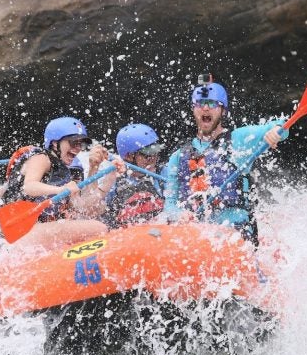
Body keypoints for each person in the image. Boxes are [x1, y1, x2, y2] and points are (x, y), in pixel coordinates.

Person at [163, 75, 286, 246]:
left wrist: (276, 130)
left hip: (236, 233)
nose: (205, 108)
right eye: (200, 104)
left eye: (212, 104)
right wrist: (178, 215)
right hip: (196, 236)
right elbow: (169, 204)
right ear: (193, 109)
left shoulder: (239, 140)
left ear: (223, 111)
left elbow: (282, 126)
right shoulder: (178, 156)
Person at [1, 116, 125, 249]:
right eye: (73, 143)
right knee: (97, 228)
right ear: (55, 143)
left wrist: (102, 174)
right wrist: (60, 190)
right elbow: (29, 186)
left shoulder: (65, 172)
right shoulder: (41, 158)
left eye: (81, 144)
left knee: (95, 221)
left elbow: (84, 209)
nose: (78, 148)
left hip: (38, 229)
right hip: (19, 231)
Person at [104, 123, 165, 228]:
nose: (153, 158)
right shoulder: (115, 181)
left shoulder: (164, 173)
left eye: (155, 152)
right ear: (129, 156)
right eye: (147, 154)